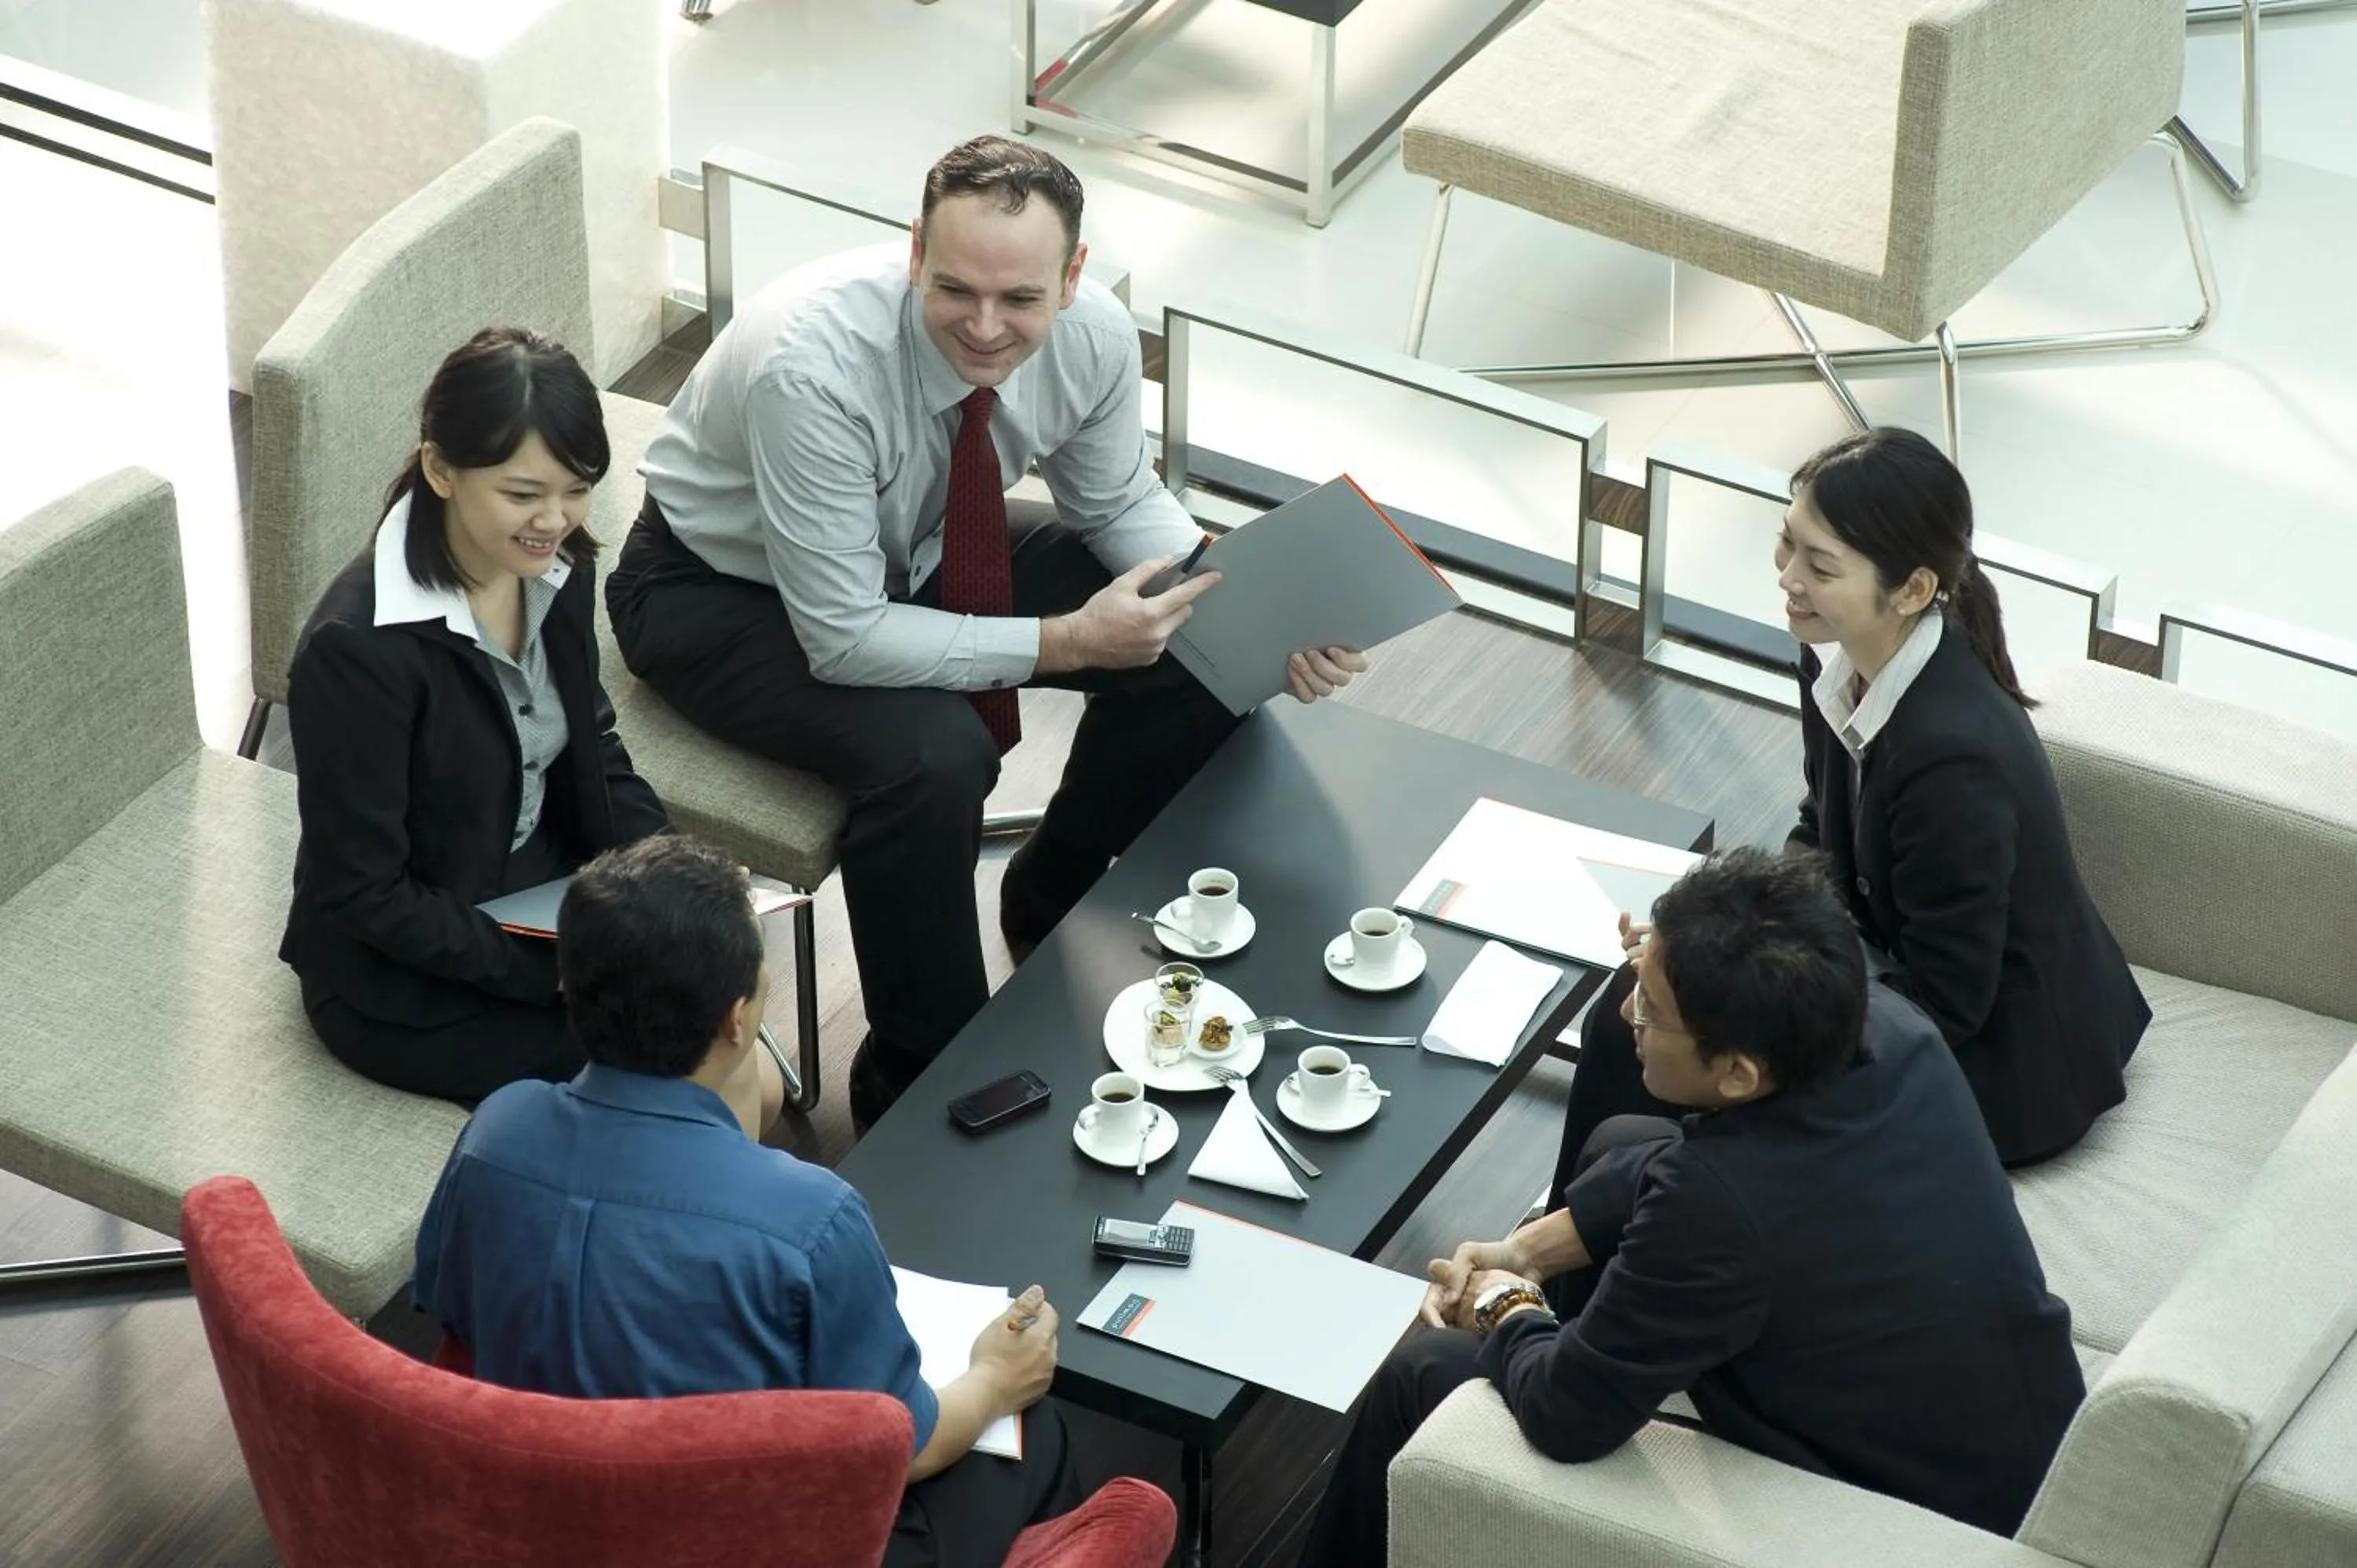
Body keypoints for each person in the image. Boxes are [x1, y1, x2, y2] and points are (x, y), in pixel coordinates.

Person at [606, 134, 1367, 1128]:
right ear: (915, 251)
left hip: (915, 546)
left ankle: (1054, 889)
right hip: (714, 589)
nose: (986, 325)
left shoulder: (1093, 333)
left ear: (1073, 276)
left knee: (1193, 642)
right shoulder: (812, 369)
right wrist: (1067, 640)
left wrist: (1245, 604)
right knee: (934, 757)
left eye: (1021, 299)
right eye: (957, 289)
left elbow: (1116, 500)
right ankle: (919, 1076)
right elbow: (844, 634)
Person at [1299, 849, 2085, 1566]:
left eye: (1650, 1007)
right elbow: (1697, 1170)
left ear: (1739, 1073)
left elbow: (1567, 1416)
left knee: (1424, 1373)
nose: (1627, 1015)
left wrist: (1504, 1302)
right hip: (2018, 1447)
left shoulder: (1716, 1211)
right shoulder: (1892, 1028)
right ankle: (1599, 1344)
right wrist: (1529, 1250)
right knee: (1622, 1143)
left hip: (1906, 1519)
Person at [413, 835, 1079, 1568]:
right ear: (737, 1020)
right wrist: (993, 1380)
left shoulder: (495, 1133)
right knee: (1036, 1434)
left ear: (570, 986)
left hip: (532, 1516)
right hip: (741, 1540)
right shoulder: (812, 1220)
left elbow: (454, 1322)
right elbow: (905, 1446)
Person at [1553, 427, 2146, 1174]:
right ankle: (1594, 1221)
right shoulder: (1840, 656)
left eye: (1821, 565)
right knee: (1642, 1005)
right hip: (1895, 971)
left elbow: (1949, 1006)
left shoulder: (1953, 758)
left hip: (2002, 1067)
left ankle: (1602, 1225)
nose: (1788, 577)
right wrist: (1722, 940)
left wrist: (1748, 988)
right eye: (1787, 542)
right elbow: (1821, 831)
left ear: (1913, 590)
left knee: (1662, 1032)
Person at [280, 328, 779, 1133]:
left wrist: (680, 874)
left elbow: (594, 749)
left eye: (577, 489)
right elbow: (364, 894)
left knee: (733, 1040)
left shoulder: (557, 568)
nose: (555, 520)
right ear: (440, 468)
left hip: (543, 901)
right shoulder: (358, 652)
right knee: (696, 1069)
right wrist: (564, 969)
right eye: (523, 495)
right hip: (413, 971)